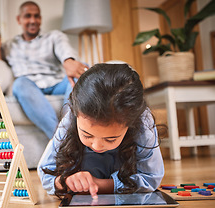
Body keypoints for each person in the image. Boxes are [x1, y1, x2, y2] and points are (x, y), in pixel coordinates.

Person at [37, 63, 164, 199]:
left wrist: (98, 185)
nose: (97, 146)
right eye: (87, 135)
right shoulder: (71, 118)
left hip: (123, 174)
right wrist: (66, 182)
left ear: (131, 124)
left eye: (111, 139)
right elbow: (45, 173)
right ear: (75, 114)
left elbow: (151, 178)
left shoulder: (142, 121)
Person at [3, 1, 88, 139]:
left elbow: (64, 48)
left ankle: (68, 127)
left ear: (40, 19)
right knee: (19, 84)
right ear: (19, 19)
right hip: (29, 87)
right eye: (28, 16)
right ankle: (62, 138)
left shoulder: (54, 36)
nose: (33, 20)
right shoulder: (9, 46)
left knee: (82, 71)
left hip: (56, 84)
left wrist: (68, 61)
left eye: (36, 16)